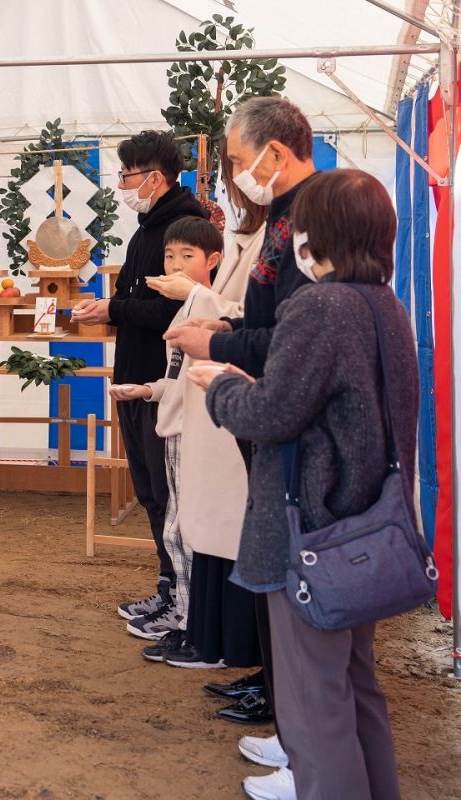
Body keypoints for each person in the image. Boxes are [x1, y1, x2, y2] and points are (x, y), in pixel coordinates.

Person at [194, 169, 415, 800]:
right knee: (355, 687)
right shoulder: (385, 303)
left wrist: (224, 385)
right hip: (362, 527)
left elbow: (273, 414)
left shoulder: (322, 305)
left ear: (314, 234)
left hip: (310, 532)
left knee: (315, 703)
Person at [165, 98, 320, 767]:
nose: (236, 178)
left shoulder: (311, 224)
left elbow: (291, 337)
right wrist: (223, 335)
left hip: (286, 432)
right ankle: (288, 721)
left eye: (235, 162)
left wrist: (219, 337)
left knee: (302, 609)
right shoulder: (283, 221)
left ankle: (307, 748)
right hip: (262, 419)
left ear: (274, 153)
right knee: (276, 596)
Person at [73, 130, 209, 636]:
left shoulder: (184, 227)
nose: (121, 184)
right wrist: (109, 310)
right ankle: (168, 586)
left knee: (171, 496)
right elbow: (135, 299)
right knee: (153, 494)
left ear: (154, 177)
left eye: (127, 175)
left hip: (166, 382)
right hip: (136, 376)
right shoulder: (145, 228)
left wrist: (115, 309)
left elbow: (178, 309)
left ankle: (185, 599)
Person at [109, 216, 226, 653]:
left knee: (186, 526)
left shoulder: (210, 302)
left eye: (187, 256)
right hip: (173, 423)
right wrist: (149, 389)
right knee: (174, 525)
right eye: (169, 255)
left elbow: (230, 321)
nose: (175, 264)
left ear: (212, 260)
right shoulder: (184, 307)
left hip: (194, 431)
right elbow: (175, 375)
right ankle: (180, 606)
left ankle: (193, 621)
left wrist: (195, 293)